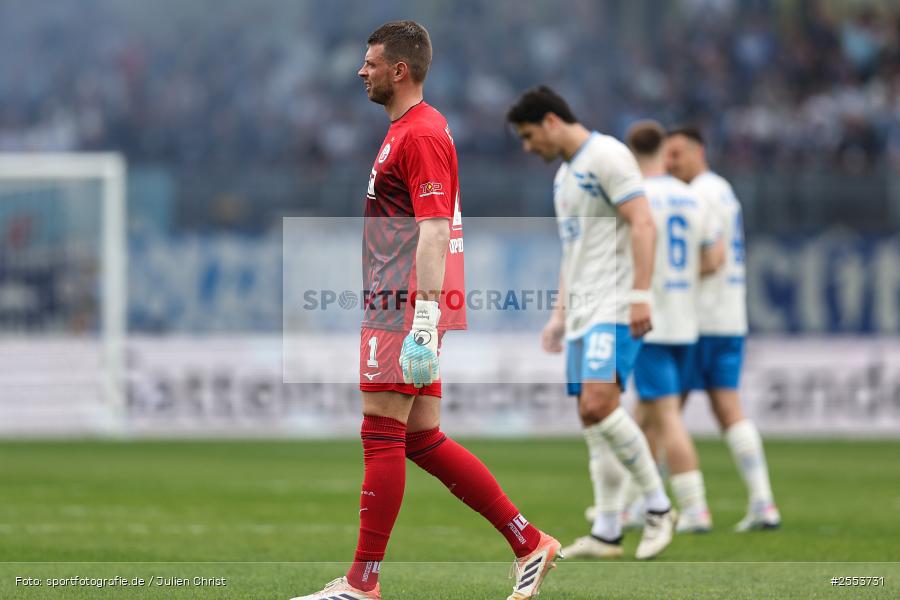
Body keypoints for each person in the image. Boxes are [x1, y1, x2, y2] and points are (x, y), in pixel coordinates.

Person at [292, 22, 560, 600]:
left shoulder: (420, 133)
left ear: (400, 70)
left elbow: (435, 229)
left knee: (380, 434)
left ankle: (363, 584)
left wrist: (421, 317)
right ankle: (528, 540)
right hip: (404, 301)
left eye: (370, 62)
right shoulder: (409, 131)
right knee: (420, 438)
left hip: (402, 304)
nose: (360, 71)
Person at [507, 86, 677, 561]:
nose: (527, 147)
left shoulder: (607, 155)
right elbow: (573, 251)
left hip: (616, 304)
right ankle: (606, 530)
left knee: (600, 404)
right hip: (584, 310)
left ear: (550, 122)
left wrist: (641, 294)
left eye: (527, 136)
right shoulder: (564, 177)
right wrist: (560, 313)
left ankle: (659, 506)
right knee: (589, 415)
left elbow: (643, 223)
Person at [666, 126, 782, 531]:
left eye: (677, 154)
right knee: (726, 406)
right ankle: (763, 502)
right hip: (729, 316)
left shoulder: (699, 192)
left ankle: (655, 506)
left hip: (699, 319)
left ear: (700, 152)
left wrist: (666, 276)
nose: (669, 162)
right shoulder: (724, 190)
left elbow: (712, 259)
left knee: (662, 410)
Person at [626, 120, 725, 533]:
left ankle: (695, 507)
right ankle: (645, 503)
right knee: (647, 415)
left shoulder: (637, 199)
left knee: (665, 416)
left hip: (651, 320)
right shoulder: (692, 196)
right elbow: (715, 257)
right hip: (687, 321)